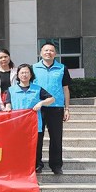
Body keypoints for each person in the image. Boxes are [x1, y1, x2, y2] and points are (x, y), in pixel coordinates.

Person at [4, 63, 55, 173]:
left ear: (31, 75)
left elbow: (51, 99)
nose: (24, 75)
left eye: (27, 72)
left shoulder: (37, 89)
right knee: (19, 145)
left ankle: (37, 165)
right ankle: (20, 165)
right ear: (18, 75)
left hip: (34, 123)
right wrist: (7, 108)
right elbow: (8, 103)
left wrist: (41, 103)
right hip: (17, 124)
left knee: (36, 145)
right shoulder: (11, 90)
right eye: (22, 72)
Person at [33, 42, 72, 175]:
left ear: (55, 53)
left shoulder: (62, 68)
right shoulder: (33, 68)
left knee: (56, 138)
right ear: (40, 53)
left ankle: (56, 165)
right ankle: (37, 164)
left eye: (51, 50)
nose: (48, 52)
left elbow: (66, 89)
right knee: (38, 137)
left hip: (56, 107)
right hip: (38, 108)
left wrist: (67, 108)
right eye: (46, 50)